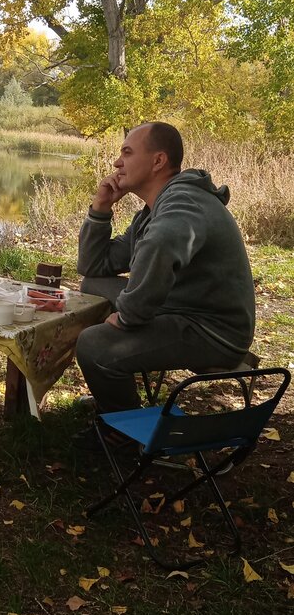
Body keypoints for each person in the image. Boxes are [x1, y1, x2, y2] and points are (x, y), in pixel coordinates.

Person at [75, 122, 256, 413]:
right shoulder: (154, 210)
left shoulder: (185, 201)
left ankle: (121, 430)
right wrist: (100, 209)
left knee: (94, 345)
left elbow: (160, 243)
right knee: (91, 285)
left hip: (211, 330)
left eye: (128, 152)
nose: (116, 162)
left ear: (158, 161)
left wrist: (127, 318)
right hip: (179, 308)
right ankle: (114, 382)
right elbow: (93, 266)